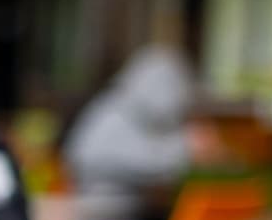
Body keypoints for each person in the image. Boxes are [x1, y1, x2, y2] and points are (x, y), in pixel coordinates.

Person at [61, 40, 200, 207]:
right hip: (103, 213)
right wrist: (185, 148)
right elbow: (146, 163)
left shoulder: (141, 116)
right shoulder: (112, 115)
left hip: (135, 210)